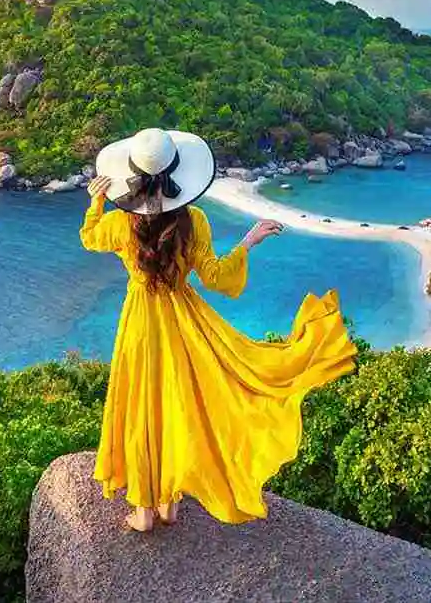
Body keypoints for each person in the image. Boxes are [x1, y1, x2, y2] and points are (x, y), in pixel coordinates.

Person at [80, 127, 358, 533]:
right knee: (179, 404)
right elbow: (215, 278)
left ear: (133, 176)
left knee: (144, 406)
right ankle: (169, 502)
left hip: (140, 321)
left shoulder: (123, 224)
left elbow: (90, 238)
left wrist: (96, 201)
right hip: (184, 322)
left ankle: (144, 509)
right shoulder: (193, 220)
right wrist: (247, 243)